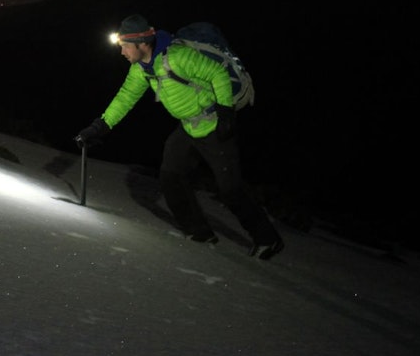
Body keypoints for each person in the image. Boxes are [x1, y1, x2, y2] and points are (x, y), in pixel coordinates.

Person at [74, 14, 284, 260]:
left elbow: (217, 73)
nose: (122, 52)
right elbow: (125, 98)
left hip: (214, 126)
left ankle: (268, 240)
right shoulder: (140, 69)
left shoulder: (178, 57)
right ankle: (200, 232)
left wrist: (226, 114)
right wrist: (99, 127)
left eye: (125, 46)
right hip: (188, 127)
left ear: (142, 44)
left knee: (230, 189)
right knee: (170, 176)